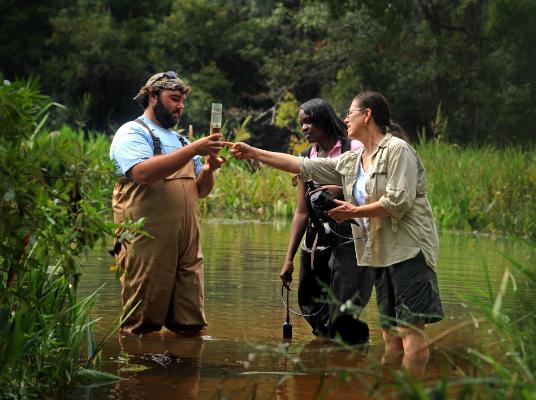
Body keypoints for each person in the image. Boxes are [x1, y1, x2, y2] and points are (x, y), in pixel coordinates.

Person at [228, 91, 444, 376]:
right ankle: (388, 389)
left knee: (411, 332)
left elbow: (398, 202)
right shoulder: (354, 160)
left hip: (409, 252)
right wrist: (253, 152)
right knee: (390, 335)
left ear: (367, 115)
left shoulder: (397, 150)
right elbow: (302, 166)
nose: (345, 119)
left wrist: (353, 212)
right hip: (382, 255)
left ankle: (411, 391)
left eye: (350, 113)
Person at [110, 71, 224, 335]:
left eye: (182, 100)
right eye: (174, 98)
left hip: (186, 245)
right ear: (152, 96)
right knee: (141, 323)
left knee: (190, 323)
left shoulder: (181, 140)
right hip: (145, 241)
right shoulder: (133, 132)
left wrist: (208, 169)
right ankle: (137, 361)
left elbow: (200, 191)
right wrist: (194, 150)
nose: (180, 106)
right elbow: (142, 173)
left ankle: (184, 361)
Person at [281, 98, 374, 341]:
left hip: (350, 238)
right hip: (316, 240)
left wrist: (341, 190)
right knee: (311, 305)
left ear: (324, 119)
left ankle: (350, 346)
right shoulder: (306, 156)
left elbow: (371, 191)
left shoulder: (354, 148)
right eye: (301, 123)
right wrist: (289, 258)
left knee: (343, 306)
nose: (304, 127)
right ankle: (329, 355)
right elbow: (301, 212)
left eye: (310, 121)